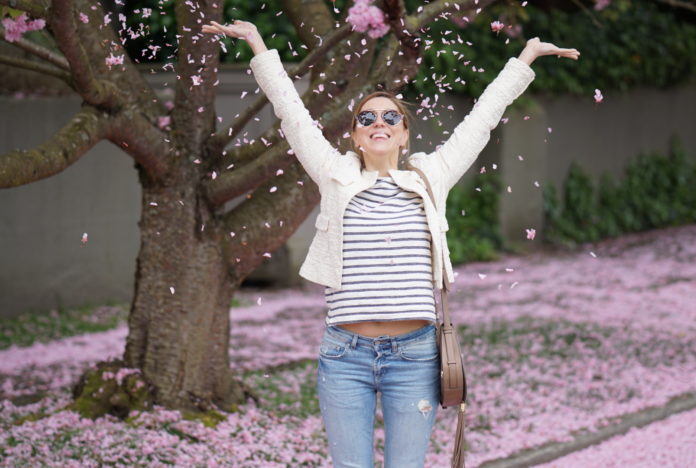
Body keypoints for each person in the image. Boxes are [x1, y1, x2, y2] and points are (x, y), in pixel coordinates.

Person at [202, 18, 579, 468]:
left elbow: (481, 121)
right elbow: (291, 111)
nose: (377, 122)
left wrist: (526, 58)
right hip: (345, 356)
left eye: (389, 117)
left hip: (415, 356)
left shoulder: (430, 176)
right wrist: (257, 42)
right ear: (356, 135)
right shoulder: (334, 174)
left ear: (403, 133)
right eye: (366, 118)